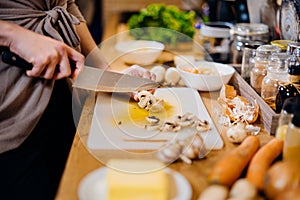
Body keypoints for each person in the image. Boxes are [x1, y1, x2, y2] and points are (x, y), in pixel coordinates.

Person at [0, 1, 155, 199]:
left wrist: (107, 74)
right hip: (11, 107)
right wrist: (14, 35)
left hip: (61, 92)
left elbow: (66, 4)